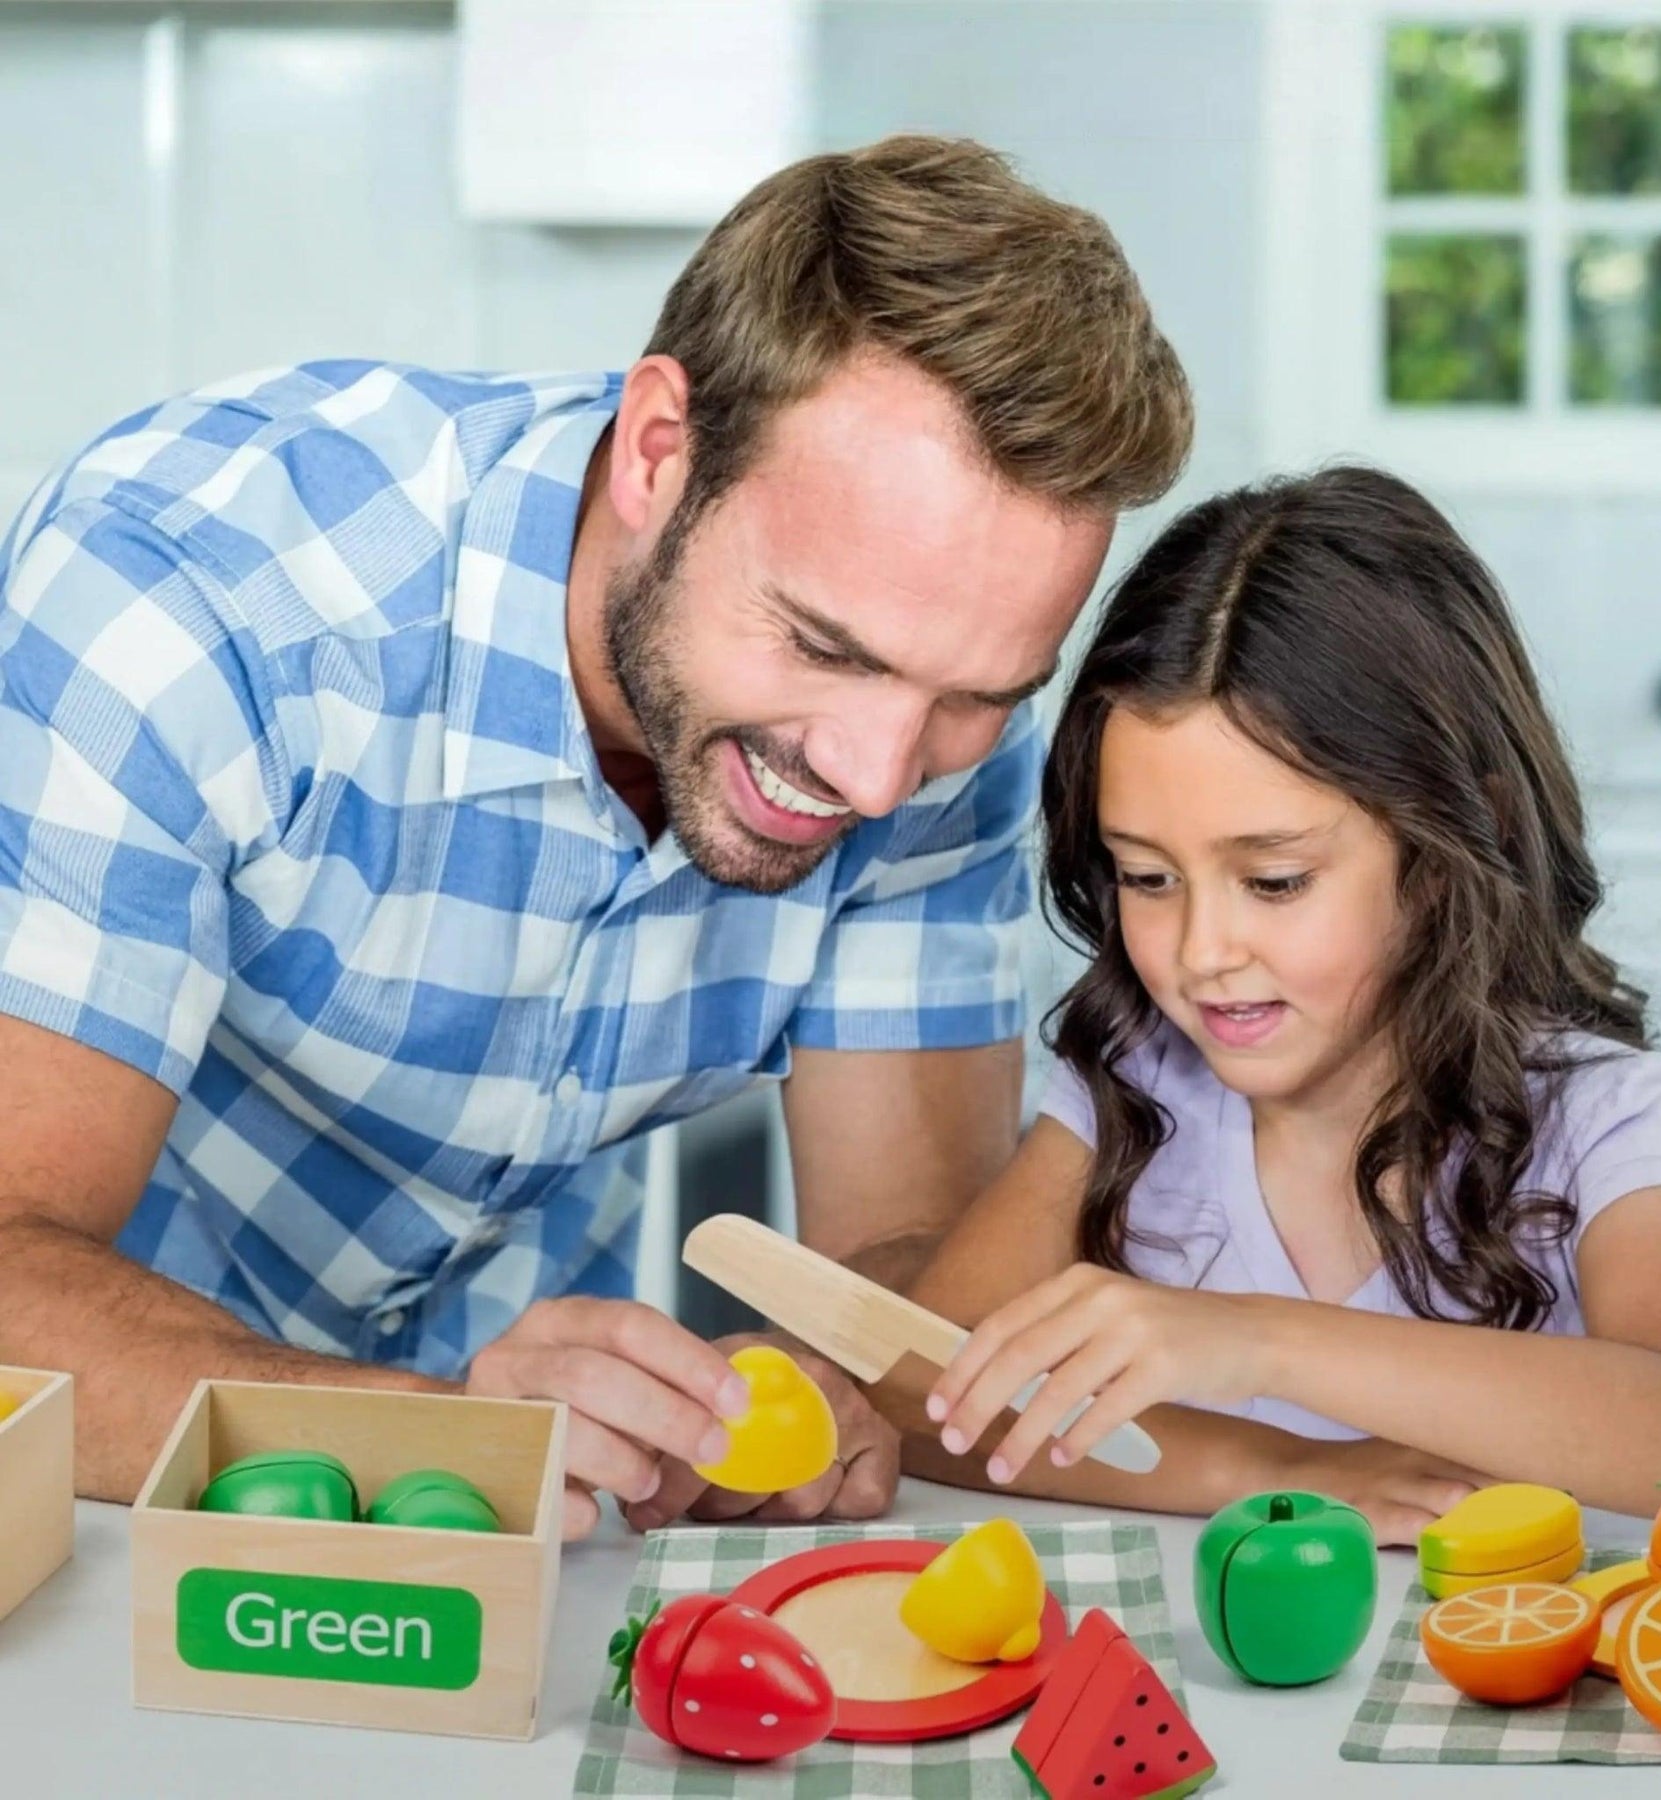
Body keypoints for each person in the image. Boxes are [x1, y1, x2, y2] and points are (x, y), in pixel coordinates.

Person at [0, 136, 1191, 1534]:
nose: (878, 779)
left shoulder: (930, 749)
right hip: (87, 1466)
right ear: (657, 453)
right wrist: (450, 1441)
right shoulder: (198, 594)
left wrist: (809, 1387)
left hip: (544, 1502)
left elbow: (894, 1281)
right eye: (822, 645)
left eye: (977, 696)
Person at [897, 467, 1661, 1542]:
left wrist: (1254, 1341)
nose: (1202, 954)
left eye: (1275, 881)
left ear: (1444, 851)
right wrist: (1283, 1467)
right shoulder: (1135, 1088)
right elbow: (919, 1389)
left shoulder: (1612, 1118)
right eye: (1147, 877)